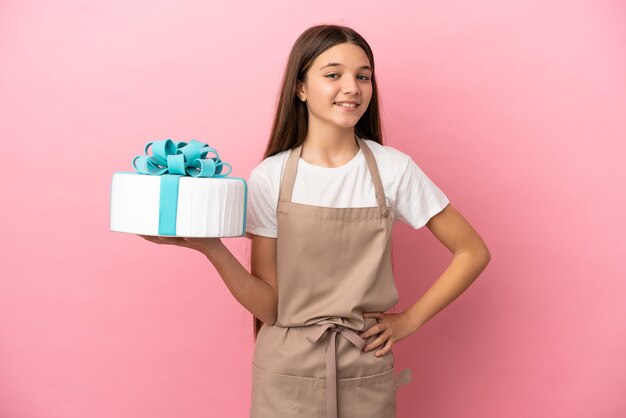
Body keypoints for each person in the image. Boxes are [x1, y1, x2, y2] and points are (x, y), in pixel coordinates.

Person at [140, 24, 491, 418]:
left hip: (364, 367)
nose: (352, 87)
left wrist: (409, 320)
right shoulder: (270, 177)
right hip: (284, 374)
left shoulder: (394, 170)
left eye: (363, 76)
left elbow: (472, 252)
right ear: (301, 88)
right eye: (333, 74)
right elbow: (270, 309)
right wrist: (212, 249)